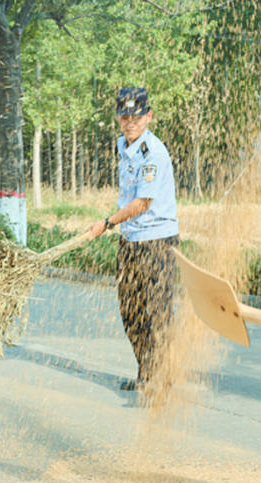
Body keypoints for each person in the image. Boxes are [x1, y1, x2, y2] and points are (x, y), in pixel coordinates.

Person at [88, 87, 179, 391]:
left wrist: (106, 223)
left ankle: (161, 380)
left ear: (148, 116)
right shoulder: (122, 146)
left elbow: (142, 203)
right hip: (130, 240)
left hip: (157, 242)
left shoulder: (153, 152)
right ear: (118, 118)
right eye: (125, 117)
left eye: (137, 117)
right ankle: (147, 371)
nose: (130, 123)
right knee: (131, 311)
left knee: (160, 311)